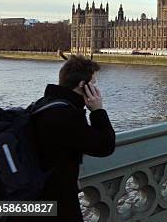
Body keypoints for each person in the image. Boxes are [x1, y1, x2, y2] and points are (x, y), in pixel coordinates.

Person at [10, 55, 115, 222]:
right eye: (94, 84)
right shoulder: (65, 115)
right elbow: (105, 146)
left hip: (29, 199)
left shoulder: (43, 103)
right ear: (83, 85)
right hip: (53, 203)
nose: (96, 89)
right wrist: (97, 110)